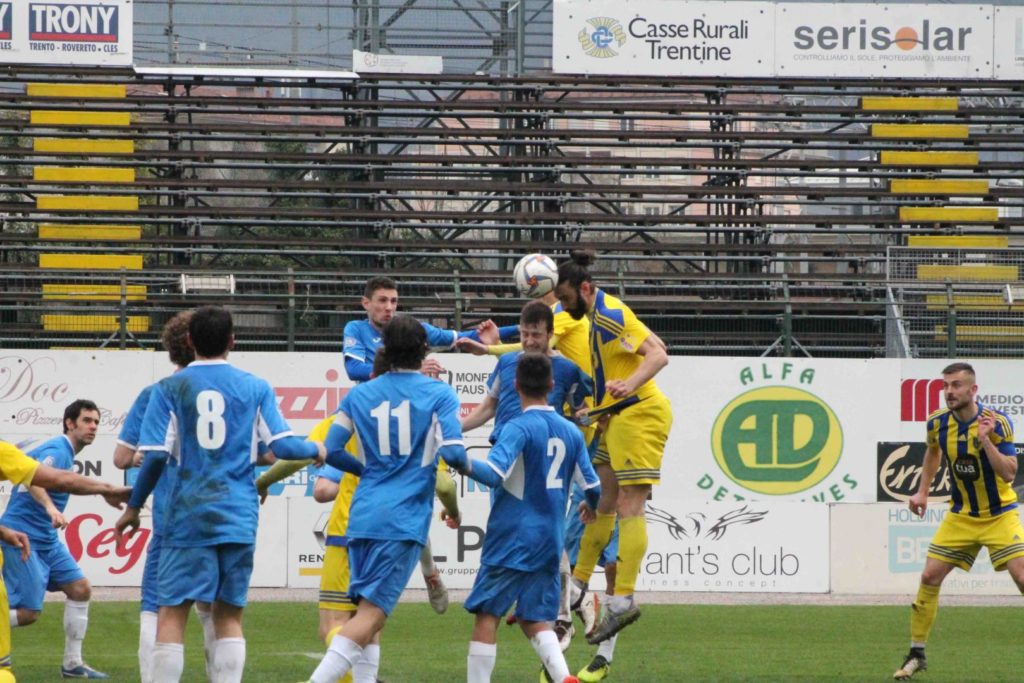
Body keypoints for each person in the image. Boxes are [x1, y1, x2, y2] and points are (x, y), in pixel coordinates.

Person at [114, 305, 325, 683]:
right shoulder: (255, 386)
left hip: (186, 515)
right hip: (238, 515)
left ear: (190, 340)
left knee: (172, 611)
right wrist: (317, 449)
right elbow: (284, 448)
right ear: (232, 341)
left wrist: (133, 507)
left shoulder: (168, 389)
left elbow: (156, 456)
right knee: (228, 615)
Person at [302, 315, 469, 683]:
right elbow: (455, 457)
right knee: (372, 616)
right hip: (402, 520)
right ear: (424, 350)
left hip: (361, 516)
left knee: (368, 611)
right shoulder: (439, 394)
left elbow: (330, 450)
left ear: (385, 350)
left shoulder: (359, 394)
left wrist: (365, 471)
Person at [342, 275, 498, 612]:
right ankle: (427, 570)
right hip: (381, 422)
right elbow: (353, 368)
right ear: (365, 303)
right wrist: (407, 369)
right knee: (403, 496)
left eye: (394, 301)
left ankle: (427, 572)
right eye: (382, 300)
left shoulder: (410, 332)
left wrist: (498, 337)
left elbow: (462, 338)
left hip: (413, 422)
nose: (388, 307)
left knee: (424, 486)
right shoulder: (356, 330)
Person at [553, 250, 672, 645]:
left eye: (567, 299)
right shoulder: (593, 319)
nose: (564, 308)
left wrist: (629, 385)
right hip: (617, 417)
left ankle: (622, 600)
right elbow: (648, 345)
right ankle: (579, 584)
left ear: (585, 288)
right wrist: (601, 410)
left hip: (640, 414)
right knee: (600, 501)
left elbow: (658, 354)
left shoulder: (609, 315)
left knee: (628, 506)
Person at [458, 352, 600, 683]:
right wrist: (590, 506)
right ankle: (565, 678)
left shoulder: (515, 428)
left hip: (512, 535)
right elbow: (591, 485)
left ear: (516, 386)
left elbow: (493, 474)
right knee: (534, 617)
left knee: (487, 614)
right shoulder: (570, 432)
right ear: (551, 386)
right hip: (550, 540)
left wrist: (459, 460)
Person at [893, 362, 1023, 680]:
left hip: (999, 515)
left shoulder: (998, 423)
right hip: (961, 515)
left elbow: (1009, 473)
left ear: (972, 390)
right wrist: (922, 491)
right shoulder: (937, 423)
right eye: (946, 386)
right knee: (929, 576)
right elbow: (933, 453)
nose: (949, 391)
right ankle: (916, 653)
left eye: (955, 385)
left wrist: (986, 440)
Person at [113, 310, 218, 683]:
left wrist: (136, 495)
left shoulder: (157, 392)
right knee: (217, 610)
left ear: (174, 348)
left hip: (174, 515)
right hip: (223, 513)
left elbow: (123, 457)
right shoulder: (234, 388)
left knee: (156, 607)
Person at [1, 399, 116, 679]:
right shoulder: (57, 450)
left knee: (80, 589)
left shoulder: (65, 452)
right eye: (87, 421)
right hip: (21, 535)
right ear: (69, 423)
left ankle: (73, 664)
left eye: (96, 422)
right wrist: (51, 508)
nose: (93, 427)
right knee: (28, 613)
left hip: (46, 540)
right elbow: (33, 479)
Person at [460, 300, 591, 447]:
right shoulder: (506, 362)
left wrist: (588, 417)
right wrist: (454, 429)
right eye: (525, 334)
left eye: (536, 335)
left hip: (544, 453)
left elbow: (580, 412)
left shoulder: (568, 369)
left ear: (550, 333)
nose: (529, 341)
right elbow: (489, 407)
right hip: (505, 450)